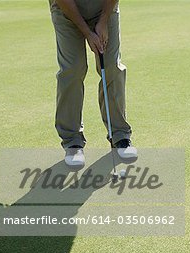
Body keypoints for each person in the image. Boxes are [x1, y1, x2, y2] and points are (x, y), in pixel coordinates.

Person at [49, 0, 137, 167]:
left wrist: (103, 21)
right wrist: (87, 33)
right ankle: (72, 142)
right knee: (73, 69)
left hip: (103, 6)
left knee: (111, 67)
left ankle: (120, 136)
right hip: (66, 10)